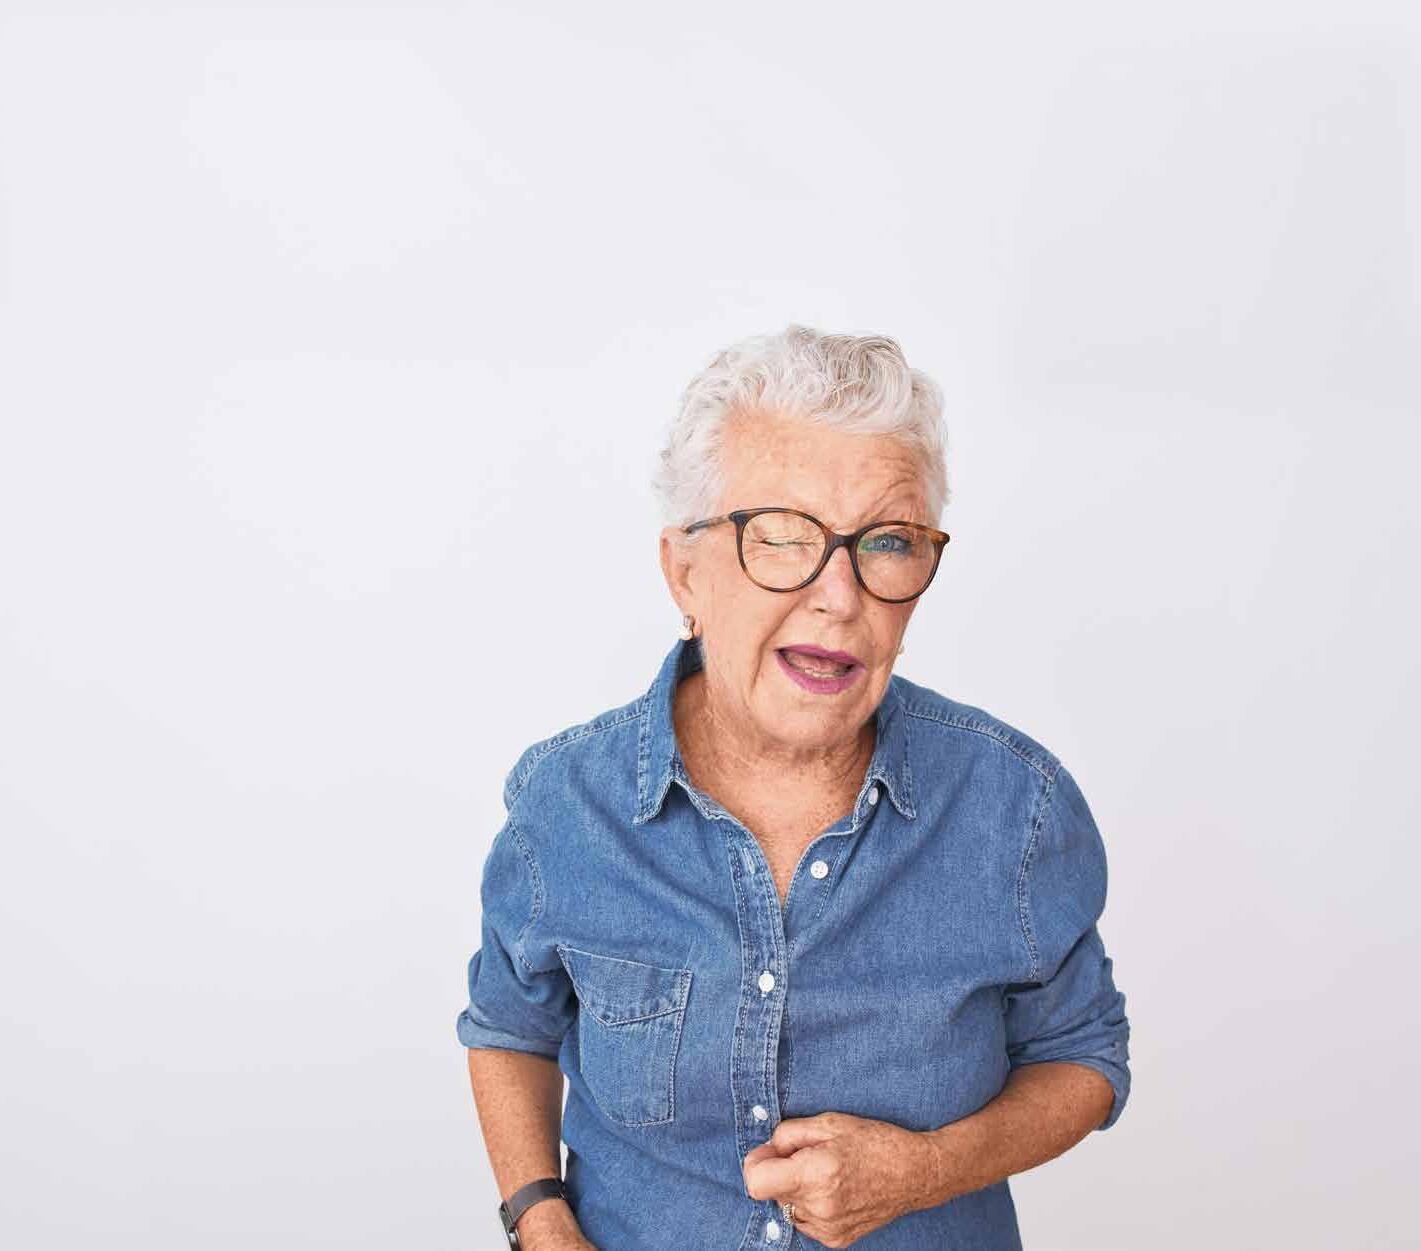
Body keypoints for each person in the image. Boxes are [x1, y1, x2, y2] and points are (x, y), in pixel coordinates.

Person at [456, 325, 1131, 1251]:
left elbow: (1084, 1055)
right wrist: (539, 1224)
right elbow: (509, 1029)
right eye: (780, 535)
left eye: (886, 542)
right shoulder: (565, 804)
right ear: (683, 571)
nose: (840, 597)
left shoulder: (1015, 806)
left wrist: (923, 1169)